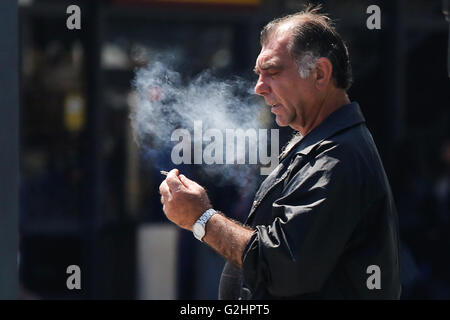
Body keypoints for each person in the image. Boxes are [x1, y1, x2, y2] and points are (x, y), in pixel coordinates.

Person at [159, 6, 401, 299]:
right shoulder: (325, 146)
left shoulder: (339, 156)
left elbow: (282, 268)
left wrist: (202, 218)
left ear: (320, 74)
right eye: (258, 74)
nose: (259, 87)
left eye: (272, 72)